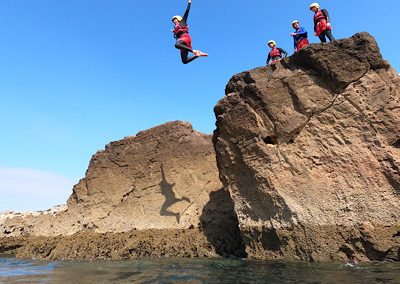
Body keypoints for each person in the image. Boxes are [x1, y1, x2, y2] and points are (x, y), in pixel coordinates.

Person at [172, 0, 207, 64]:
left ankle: (194, 51)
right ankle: (197, 55)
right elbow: (178, 33)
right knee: (184, 61)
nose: (174, 21)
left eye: (175, 19)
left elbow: (187, 12)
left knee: (177, 45)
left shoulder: (182, 22)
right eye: (173, 21)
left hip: (185, 38)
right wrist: (174, 32)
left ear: (179, 19)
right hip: (183, 42)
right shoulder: (176, 29)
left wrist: (189, 3)